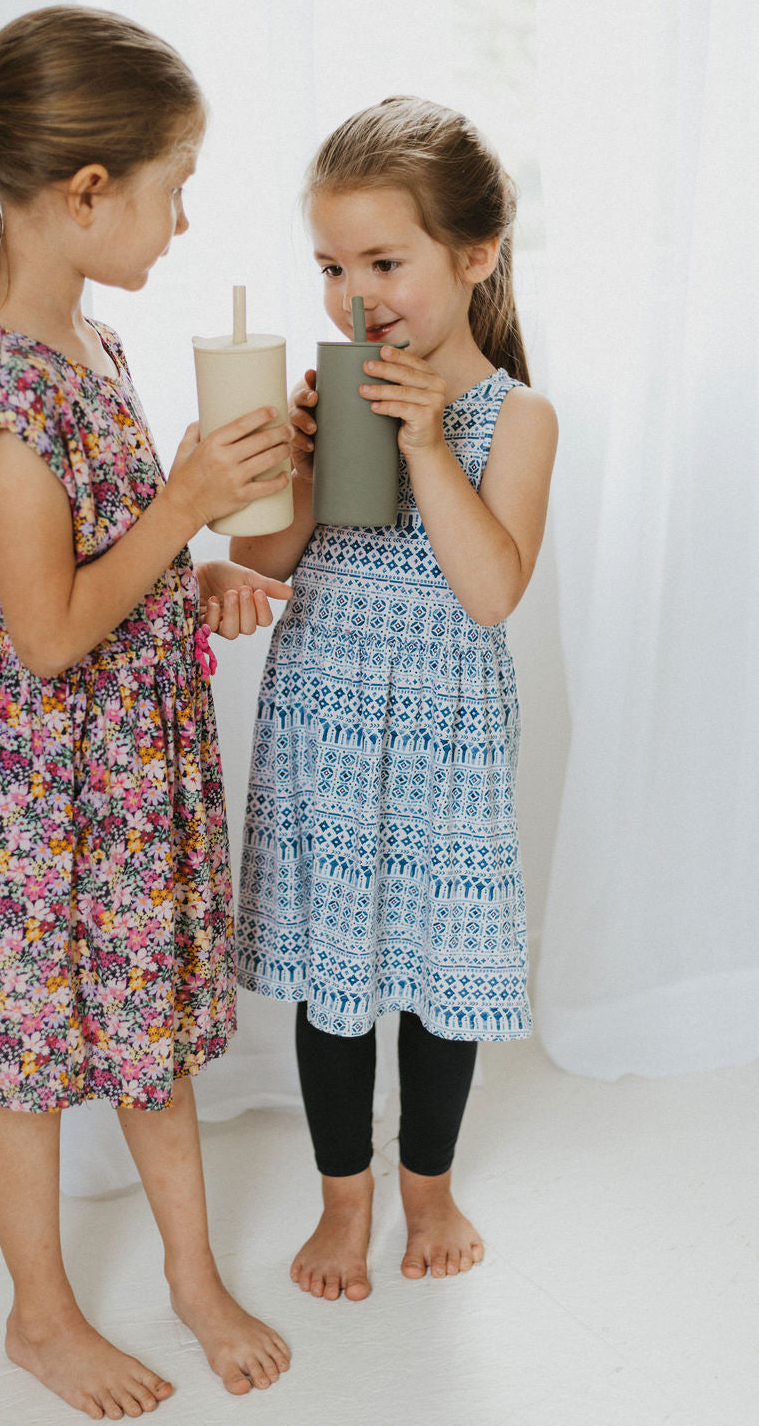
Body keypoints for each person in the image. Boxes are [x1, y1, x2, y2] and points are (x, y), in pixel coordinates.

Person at [0, 6, 293, 1420]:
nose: (182, 221)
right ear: (85, 191)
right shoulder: (2, 388)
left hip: (127, 772)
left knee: (154, 1036)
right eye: (173, 188)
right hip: (43, 790)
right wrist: (181, 507)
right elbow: (48, 631)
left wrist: (195, 580)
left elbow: (103, 576)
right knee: (33, 1065)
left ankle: (190, 1274)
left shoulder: (91, 346)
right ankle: (40, 1313)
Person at [230, 97, 558, 1303]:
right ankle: (342, 1201)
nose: (353, 293)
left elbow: (489, 591)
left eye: (383, 261)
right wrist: (301, 467)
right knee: (336, 973)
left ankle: (427, 1184)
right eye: (329, 265)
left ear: (472, 256)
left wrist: (424, 444)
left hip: (443, 733)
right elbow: (268, 564)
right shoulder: (335, 395)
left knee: (435, 969)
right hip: (325, 713)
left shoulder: (514, 416)